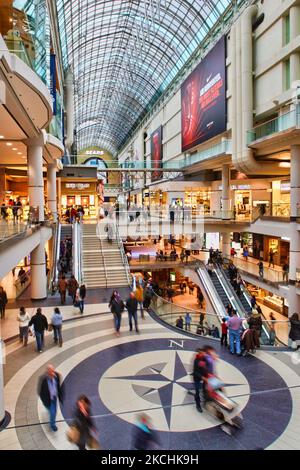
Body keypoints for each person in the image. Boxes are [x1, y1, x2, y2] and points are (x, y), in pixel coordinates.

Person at [38, 364, 65, 432]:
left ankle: (52, 424)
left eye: (53, 371)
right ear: (47, 372)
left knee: (53, 412)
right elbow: (40, 391)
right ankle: (52, 420)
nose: (53, 373)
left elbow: (59, 386)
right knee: (51, 411)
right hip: (47, 399)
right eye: (51, 372)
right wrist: (44, 400)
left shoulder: (57, 376)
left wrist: (61, 396)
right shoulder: (43, 379)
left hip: (54, 398)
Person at [192, 348, 207, 413]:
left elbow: (206, 367)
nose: (203, 354)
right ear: (199, 353)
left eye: (203, 353)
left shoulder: (204, 359)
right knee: (197, 391)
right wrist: (202, 377)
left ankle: (206, 400)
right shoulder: (196, 361)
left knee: (205, 389)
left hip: (204, 377)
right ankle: (198, 405)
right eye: (201, 353)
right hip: (197, 378)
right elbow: (195, 372)